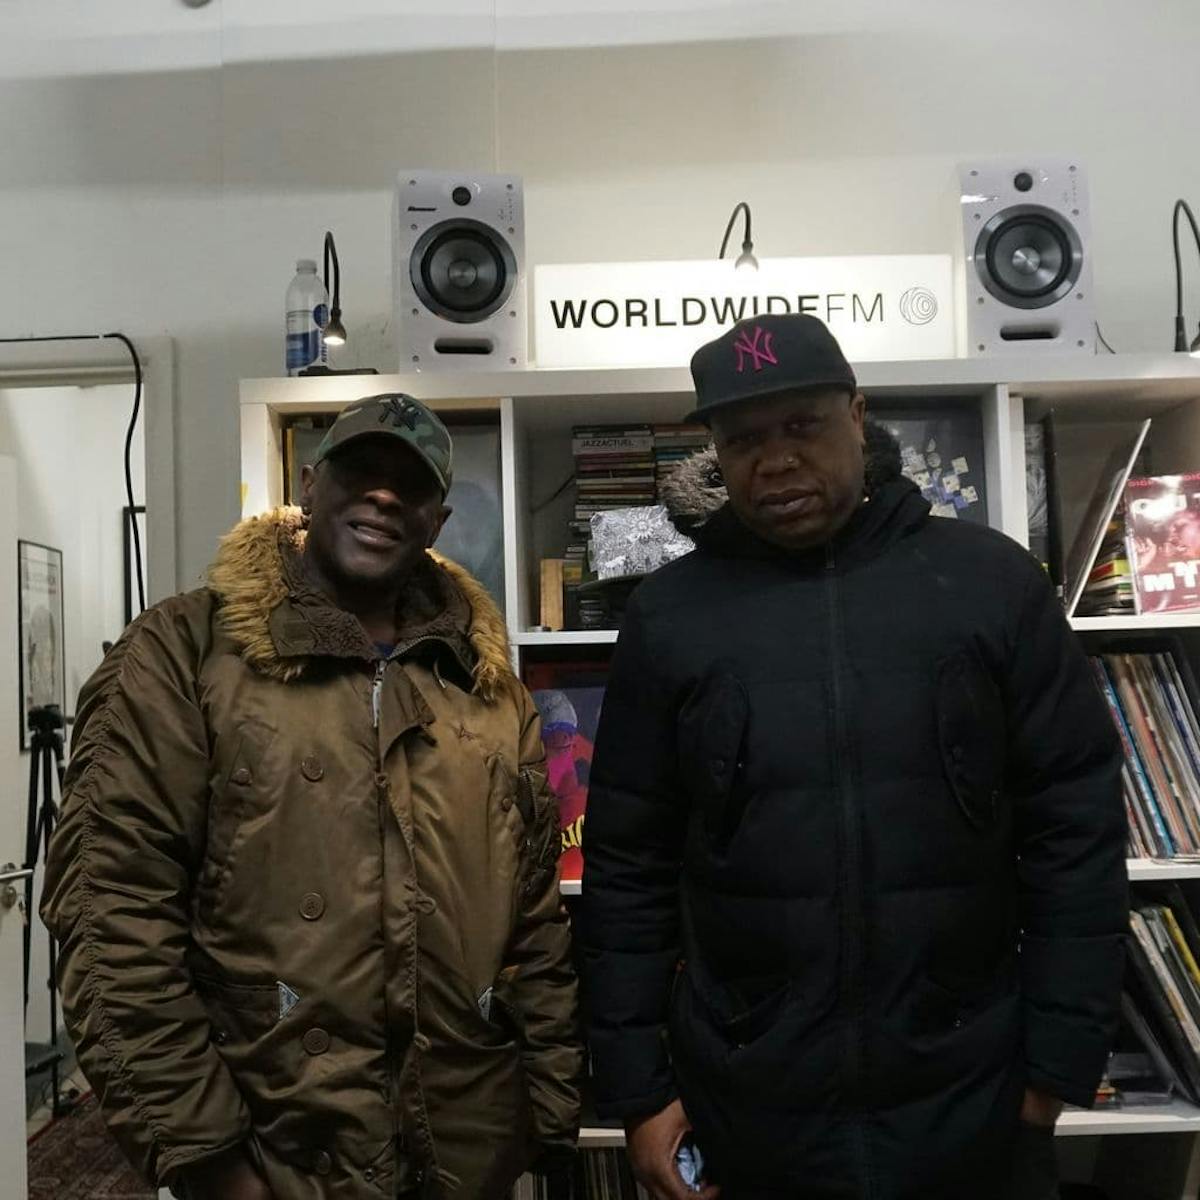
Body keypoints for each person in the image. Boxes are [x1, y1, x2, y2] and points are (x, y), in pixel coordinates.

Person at [580, 314, 1127, 1200]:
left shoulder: (991, 584)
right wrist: (639, 1091)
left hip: (972, 1096)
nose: (776, 460)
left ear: (858, 417)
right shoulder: (670, 615)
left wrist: (1056, 1066)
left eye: (802, 425)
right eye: (744, 439)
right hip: (749, 1106)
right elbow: (627, 867)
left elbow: (1077, 830)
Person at [42, 392, 582, 1200]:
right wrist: (210, 1158)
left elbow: (533, 920)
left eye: (412, 485)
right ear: (308, 485)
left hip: (465, 1155)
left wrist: (548, 1110)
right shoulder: (185, 654)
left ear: (437, 521)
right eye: (362, 471)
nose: (384, 496)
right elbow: (111, 914)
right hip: (274, 1153)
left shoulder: (485, 689)